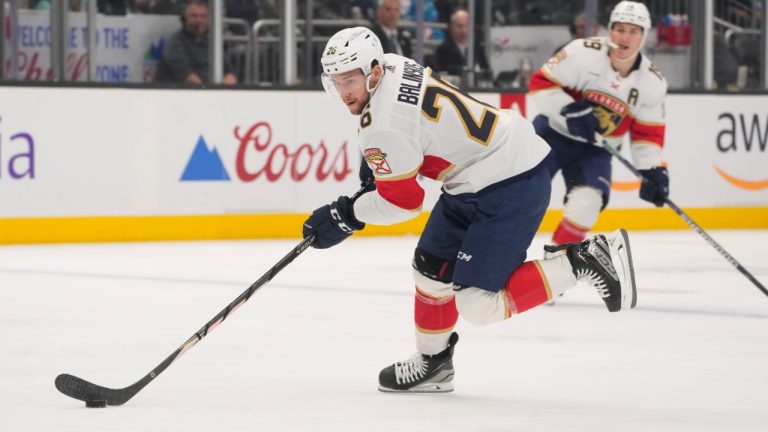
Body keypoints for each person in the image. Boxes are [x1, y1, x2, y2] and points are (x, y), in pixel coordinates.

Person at [302, 26, 638, 393]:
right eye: (335, 81)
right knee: (430, 271)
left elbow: (404, 202)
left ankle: (585, 258)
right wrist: (380, 167)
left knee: (479, 303)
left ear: (374, 73)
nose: (342, 91)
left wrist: (346, 215)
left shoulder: (381, 127)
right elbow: (414, 131)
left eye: (349, 80)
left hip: (510, 182)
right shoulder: (395, 64)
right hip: (479, 172)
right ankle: (435, 364)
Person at [528, 1, 669, 249]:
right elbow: (539, 84)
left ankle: (554, 268)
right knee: (522, 197)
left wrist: (651, 171)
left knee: (587, 203)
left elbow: (648, 134)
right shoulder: (581, 52)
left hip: (595, 149)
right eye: (619, 28)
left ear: (644, 36)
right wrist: (568, 109)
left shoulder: (652, 82)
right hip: (552, 134)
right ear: (609, 30)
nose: (625, 37)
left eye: (633, 31)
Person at [155, 0, 238, 84]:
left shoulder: (212, 43)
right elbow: (189, 79)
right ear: (184, 19)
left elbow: (229, 73)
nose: (199, 20)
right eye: (193, 16)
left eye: (203, 16)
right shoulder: (175, 44)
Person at [430, 8, 489, 77]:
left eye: (467, 26)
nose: (463, 30)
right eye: (459, 26)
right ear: (452, 27)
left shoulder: (477, 48)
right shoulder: (443, 49)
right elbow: (442, 71)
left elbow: (486, 70)